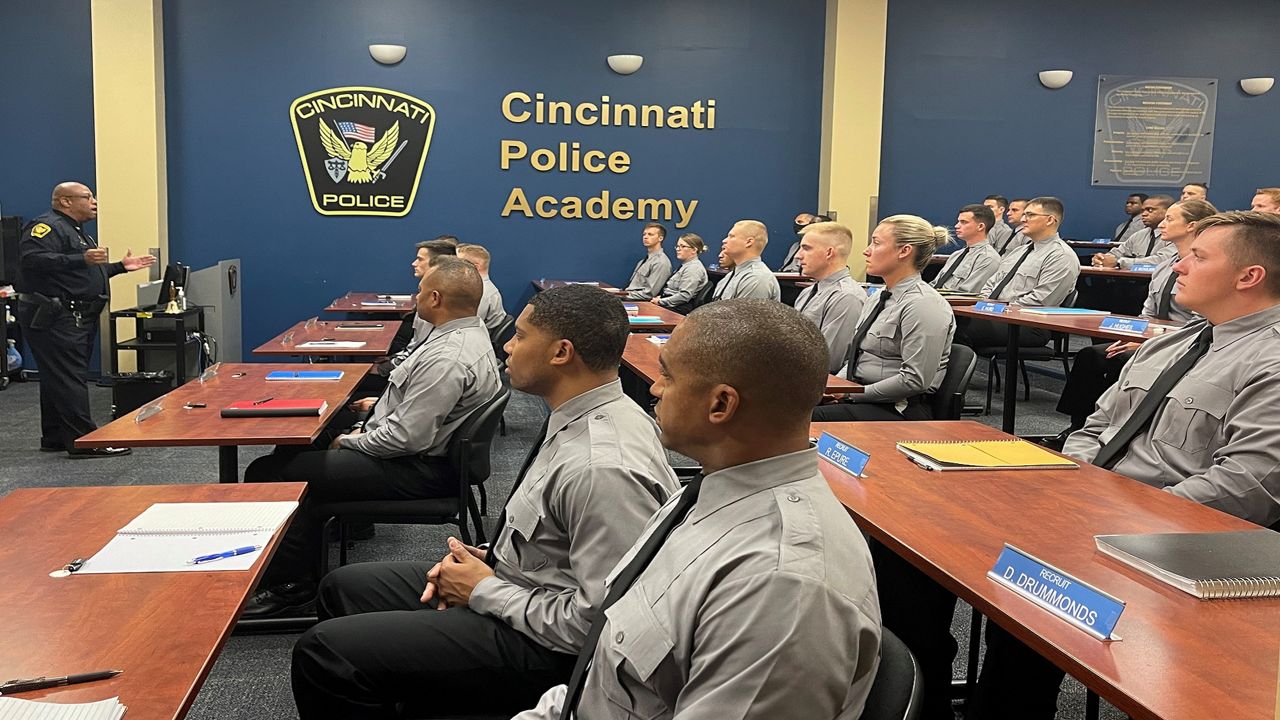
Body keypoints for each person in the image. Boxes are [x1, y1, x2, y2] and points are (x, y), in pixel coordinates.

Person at [290, 285, 678, 718]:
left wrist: (484, 590)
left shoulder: (602, 467)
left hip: (551, 652)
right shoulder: (577, 414)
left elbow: (598, 625)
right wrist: (495, 559)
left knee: (325, 654)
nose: (507, 346)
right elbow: (562, 545)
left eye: (521, 335)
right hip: (523, 587)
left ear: (561, 353)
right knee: (345, 587)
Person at [968, 211, 1280, 720]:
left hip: (1182, 544)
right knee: (958, 553)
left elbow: (1245, 485)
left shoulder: (1272, 360)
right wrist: (1076, 487)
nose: (1178, 266)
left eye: (1197, 257)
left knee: (1023, 595)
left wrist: (1123, 523)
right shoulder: (1168, 343)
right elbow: (1095, 428)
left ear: (1248, 277)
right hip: (1096, 512)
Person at [512, 299, 882, 720]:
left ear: (720, 405)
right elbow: (617, 658)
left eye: (666, 376)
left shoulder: (781, 587)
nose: (653, 388)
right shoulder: (709, 492)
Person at [243, 257, 503, 617]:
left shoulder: (448, 356)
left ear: (436, 299)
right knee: (303, 443)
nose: (416, 297)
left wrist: (350, 441)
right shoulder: (461, 336)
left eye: (421, 291)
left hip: (419, 469)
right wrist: (363, 421)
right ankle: (305, 549)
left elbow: (406, 439)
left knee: (269, 473)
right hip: (420, 456)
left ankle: (289, 586)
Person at [12, 182, 156, 457]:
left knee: (58, 376)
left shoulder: (76, 232)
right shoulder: (46, 227)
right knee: (70, 377)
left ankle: (55, 435)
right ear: (65, 201)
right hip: (55, 316)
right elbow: (32, 260)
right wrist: (81, 259)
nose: (94, 202)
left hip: (72, 315)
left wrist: (120, 268)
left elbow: (80, 275)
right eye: (87, 197)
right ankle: (84, 441)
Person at [1054, 199, 1217, 434]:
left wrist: (1148, 342)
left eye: (1170, 219)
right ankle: (1077, 427)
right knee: (1091, 355)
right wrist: (1135, 336)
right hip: (1153, 338)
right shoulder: (1164, 267)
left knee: (1125, 360)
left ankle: (1116, 431)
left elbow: (1199, 323)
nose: (1163, 223)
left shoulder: (1203, 270)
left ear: (1191, 226)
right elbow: (1147, 313)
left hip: (1184, 343)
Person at [813, 215, 955, 421]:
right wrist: (835, 388)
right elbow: (857, 357)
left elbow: (915, 381)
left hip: (897, 407)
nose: (866, 250)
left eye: (876, 243)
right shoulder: (878, 297)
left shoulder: (924, 305)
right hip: (861, 396)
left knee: (798, 420)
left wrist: (849, 395)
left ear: (904, 251)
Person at [957, 197, 1080, 349]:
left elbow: (1041, 301)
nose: (1023, 219)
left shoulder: (1062, 256)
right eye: (1024, 215)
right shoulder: (1019, 251)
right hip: (998, 316)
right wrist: (985, 305)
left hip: (1029, 324)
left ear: (1050, 220)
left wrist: (999, 309)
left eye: (1030, 215)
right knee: (946, 320)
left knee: (955, 326)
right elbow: (992, 283)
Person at [792, 221, 865, 372]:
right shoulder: (808, 292)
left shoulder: (846, 297)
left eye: (806, 248)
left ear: (829, 253)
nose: (798, 256)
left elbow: (828, 361)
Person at [932, 204, 1001, 293]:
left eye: (963, 222)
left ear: (980, 226)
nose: (957, 226)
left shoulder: (989, 258)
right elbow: (935, 284)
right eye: (958, 221)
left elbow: (966, 294)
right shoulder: (956, 255)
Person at [1093, 195, 1174, 269]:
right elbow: (1118, 252)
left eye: (1150, 210)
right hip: (1134, 281)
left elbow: (1161, 260)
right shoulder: (1139, 234)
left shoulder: (1176, 235)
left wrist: (1118, 262)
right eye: (1143, 210)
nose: (1144, 214)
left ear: (1169, 211)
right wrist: (1103, 258)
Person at [710, 220, 780, 300]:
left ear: (749, 242)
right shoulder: (731, 276)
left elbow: (743, 312)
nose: (724, 241)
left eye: (731, 236)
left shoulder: (756, 279)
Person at [653, 233, 708, 312]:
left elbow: (684, 296)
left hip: (678, 308)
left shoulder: (694, 269)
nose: (678, 249)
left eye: (683, 246)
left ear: (694, 250)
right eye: (677, 246)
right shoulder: (685, 266)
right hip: (668, 303)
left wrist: (660, 301)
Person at [457, 243, 506, 330]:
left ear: (475, 267)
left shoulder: (480, 292)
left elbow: (466, 326)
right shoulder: (486, 288)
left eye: (459, 264)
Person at [623, 222, 672, 300]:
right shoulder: (643, 261)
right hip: (629, 297)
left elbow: (650, 294)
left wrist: (622, 296)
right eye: (644, 234)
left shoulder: (661, 262)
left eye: (650, 234)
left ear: (660, 238)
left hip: (640, 303)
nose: (645, 237)